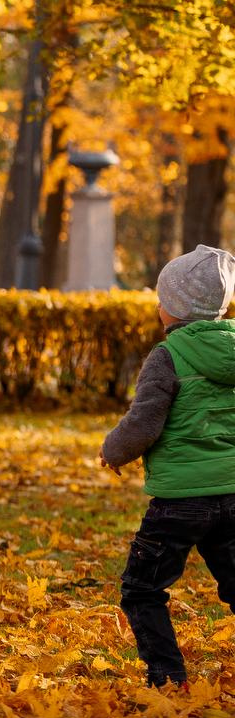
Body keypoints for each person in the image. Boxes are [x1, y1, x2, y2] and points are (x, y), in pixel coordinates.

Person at [100, 243, 235, 690]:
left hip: (180, 503)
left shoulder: (167, 357)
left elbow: (144, 422)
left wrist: (113, 451)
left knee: (142, 589)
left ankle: (167, 677)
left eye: (162, 298)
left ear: (171, 310)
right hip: (233, 493)